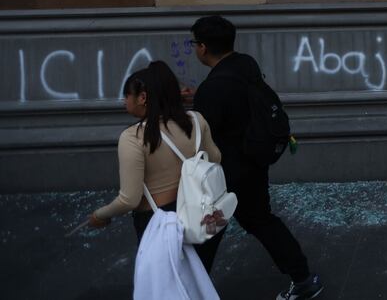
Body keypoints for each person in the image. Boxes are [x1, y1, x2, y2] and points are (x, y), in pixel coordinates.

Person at [190, 15, 324, 300]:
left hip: (225, 171)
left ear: (202, 47)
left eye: (195, 44)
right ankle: (303, 277)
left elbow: (203, 136)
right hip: (253, 162)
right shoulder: (245, 64)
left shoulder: (212, 88)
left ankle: (189, 290)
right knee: (259, 221)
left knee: (208, 231)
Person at [89, 61, 224, 272]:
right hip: (202, 215)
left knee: (166, 288)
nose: (125, 100)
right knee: (196, 282)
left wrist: (100, 215)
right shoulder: (196, 120)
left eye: (127, 95)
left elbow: (129, 199)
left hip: (160, 224)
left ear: (142, 98)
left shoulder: (133, 137)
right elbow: (215, 158)